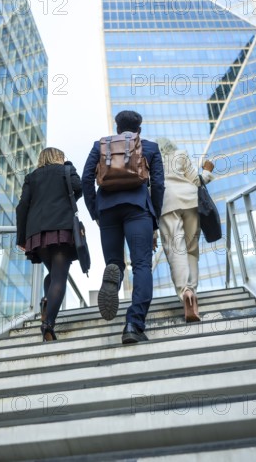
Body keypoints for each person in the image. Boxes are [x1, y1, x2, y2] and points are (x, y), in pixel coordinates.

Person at [82, 110, 165, 344]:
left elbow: (86, 178)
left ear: (117, 128)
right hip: (138, 210)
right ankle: (133, 324)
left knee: (115, 263)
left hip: (107, 209)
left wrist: (95, 210)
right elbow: (158, 184)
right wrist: (154, 216)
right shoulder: (148, 147)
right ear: (139, 129)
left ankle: (113, 281)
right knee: (141, 265)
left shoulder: (100, 146)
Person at [16, 147, 82, 342]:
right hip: (61, 229)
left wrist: (21, 238)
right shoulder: (65, 171)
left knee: (53, 275)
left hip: (37, 233)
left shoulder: (32, 177)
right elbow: (79, 188)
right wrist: (69, 166)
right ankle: (48, 325)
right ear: (59, 158)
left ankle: (46, 303)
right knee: (60, 277)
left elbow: (22, 207)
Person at [157, 138, 214, 322]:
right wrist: (207, 171)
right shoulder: (181, 154)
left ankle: (185, 292)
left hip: (167, 204)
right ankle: (193, 291)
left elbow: (151, 188)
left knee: (176, 248)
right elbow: (197, 181)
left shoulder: (151, 160)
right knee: (191, 249)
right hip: (190, 201)